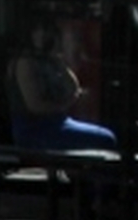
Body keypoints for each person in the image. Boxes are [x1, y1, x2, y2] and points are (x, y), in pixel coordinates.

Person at [9, 18, 117, 152]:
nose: (42, 35)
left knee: (106, 135)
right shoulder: (25, 62)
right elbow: (35, 106)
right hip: (34, 129)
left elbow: (73, 88)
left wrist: (58, 60)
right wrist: (63, 106)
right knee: (105, 139)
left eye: (46, 30)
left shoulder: (49, 59)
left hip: (59, 122)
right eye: (37, 31)